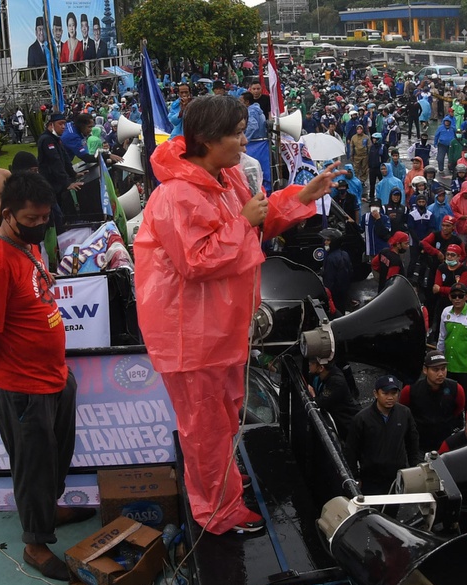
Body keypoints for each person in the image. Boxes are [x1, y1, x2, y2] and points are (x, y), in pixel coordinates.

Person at [132, 95, 333, 535]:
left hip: (221, 330)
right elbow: (196, 260)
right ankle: (217, 513)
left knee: (223, 416)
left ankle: (221, 486)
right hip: (190, 337)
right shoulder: (174, 196)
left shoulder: (225, 178)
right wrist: (242, 222)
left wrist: (302, 195)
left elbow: (258, 219)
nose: (245, 141)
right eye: (237, 133)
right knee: (205, 426)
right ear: (206, 139)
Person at [0, 172, 95, 580]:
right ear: (8, 215)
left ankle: (49, 508)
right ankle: (36, 544)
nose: (40, 224)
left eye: (44, 217)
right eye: (31, 218)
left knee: (56, 456)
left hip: (54, 376)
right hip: (22, 386)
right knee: (33, 464)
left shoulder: (28, 245)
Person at [344, 375, 421, 495]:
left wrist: (414, 467)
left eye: (394, 393)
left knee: (391, 511)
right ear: (376, 394)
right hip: (371, 479)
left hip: (396, 476)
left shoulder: (404, 413)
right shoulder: (362, 418)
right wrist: (355, 477)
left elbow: (412, 441)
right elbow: (351, 450)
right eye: (385, 393)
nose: (390, 397)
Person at [400, 351, 466, 453]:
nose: (440, 374)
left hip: (446, 442)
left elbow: (458, 410)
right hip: (419, 444)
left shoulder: (456, 388)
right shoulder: (410, 389)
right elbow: (403, 413)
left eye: (443, 369)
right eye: (435, 370)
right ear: (425, 370)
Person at [436, 284, 467, 405]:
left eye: (460, 296)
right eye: (454, 296)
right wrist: (438, 360)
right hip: (448, 365)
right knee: (447, 398)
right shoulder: (445, 312)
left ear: (466, 297)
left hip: (466, 367)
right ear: (450, 297)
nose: (457, 299)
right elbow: (442, 337)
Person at [306, 356, 356, 438]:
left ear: (321, 368)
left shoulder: (336, 381)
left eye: (311, 363)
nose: (309, 364)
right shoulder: (320, 375)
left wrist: (313, 395)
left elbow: (321, 402)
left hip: (346, 423)